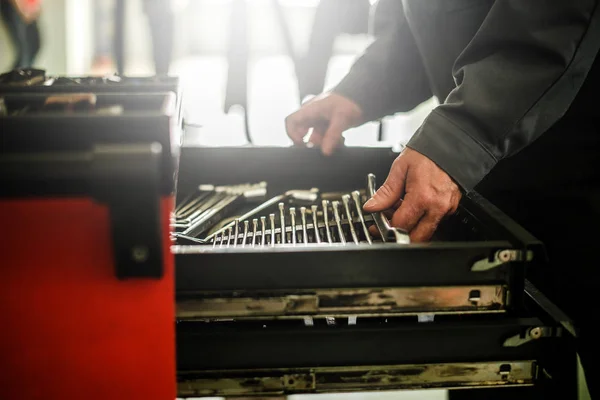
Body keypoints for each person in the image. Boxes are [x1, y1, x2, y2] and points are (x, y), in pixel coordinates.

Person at [285, 1, 600, 398]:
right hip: (488, 179)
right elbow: (430, 18)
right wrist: (360, 90)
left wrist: (459, 136)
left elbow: (554, 16)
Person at [1, 0, 42, 69]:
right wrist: (21, 10)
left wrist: (35, 8)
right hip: (16, 7)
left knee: (35, 46)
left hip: (29, 10)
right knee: (24, 52)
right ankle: (16, 77)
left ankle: (24, 75)